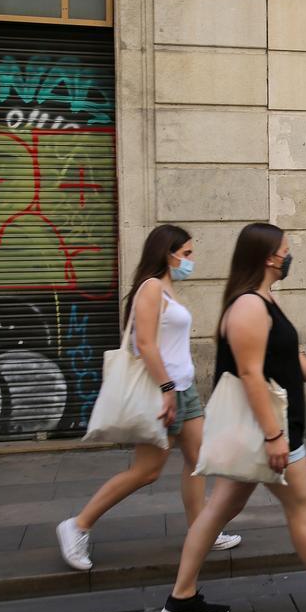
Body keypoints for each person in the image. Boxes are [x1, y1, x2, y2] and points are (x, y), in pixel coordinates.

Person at [161, 223, 306, 612]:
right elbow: (250, 374)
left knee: (216, 512)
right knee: (302, 507)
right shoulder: (249, 305)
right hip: (268, 432)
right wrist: (274, 436)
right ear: (268, 257)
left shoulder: (263, 300)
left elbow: (287, 358)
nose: (289, 255)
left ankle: (181, 598)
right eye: (286, 249)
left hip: (264, 433)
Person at [57, 225, 241, 571]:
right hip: (166, 391)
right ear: (166, 254)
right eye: (186, 254)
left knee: (198, 459)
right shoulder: (152, 288)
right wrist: (166, 390)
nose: (191, 260)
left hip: (183, 389)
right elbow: (145, 345)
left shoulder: (168, 289)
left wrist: (177, 388)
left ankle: (201, 530)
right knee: (146, 471)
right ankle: (77, 525)